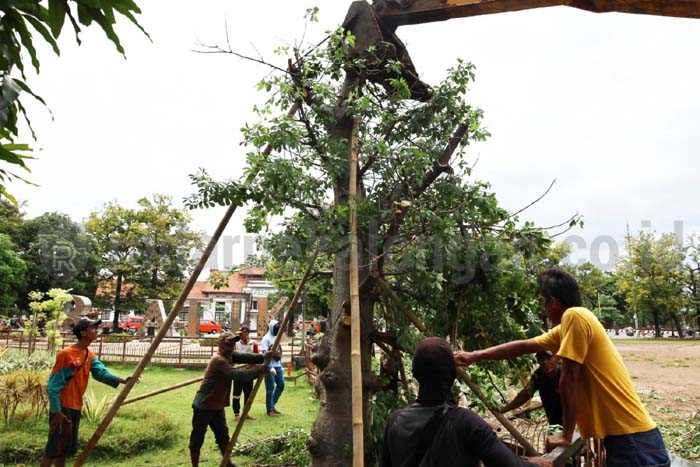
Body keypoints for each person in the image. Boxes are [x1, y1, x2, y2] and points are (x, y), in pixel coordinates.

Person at [455, 268, 670, 467]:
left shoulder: (575, 316)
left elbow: (569, 379)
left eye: (543, 302)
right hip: (629, 442)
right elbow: (525, 345)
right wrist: (474, 356)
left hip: (633, 445)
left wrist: (566, 436)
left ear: (554, 302)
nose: (544, 309)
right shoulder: (571, 324)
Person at [381, 337, 552, 467]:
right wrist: (537, 464)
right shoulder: (466, 422)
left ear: (416, 373)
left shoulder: (394, 421)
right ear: (452, 375)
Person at [40, 317, 131, 467]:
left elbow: (100, 373)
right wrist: (56, 411)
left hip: (75, 407)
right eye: (93, 328)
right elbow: (53, 386)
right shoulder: (66, 354)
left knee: (63, 450)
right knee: (52, 451)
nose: (97, 331)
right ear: (83, 332)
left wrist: (122, 380)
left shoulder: (89, 355)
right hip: (62, 407)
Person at [189, 332, 266, 467]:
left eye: (232, 344)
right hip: (204, 405)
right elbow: (236, 374)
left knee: (223, 435)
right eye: (228, 343)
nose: (231, 346)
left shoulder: (229, 356)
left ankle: (227, 463)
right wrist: (257, 371)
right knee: (197, 438)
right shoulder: (218, 360)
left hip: (217, 405)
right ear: (220, 344)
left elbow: (246, 357)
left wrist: (264, 357)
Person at [498, 351, 562, 426]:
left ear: (556, 358)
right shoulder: (539, 375)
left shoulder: (566, 372)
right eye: (541, 358)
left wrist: (528, 409)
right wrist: (505, 409)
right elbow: (526, 393)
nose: (545, 362)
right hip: (555, 419)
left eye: (548, 358)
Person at [232, 323, 259, 420]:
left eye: (241, 333)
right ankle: (236, 414)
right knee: (236, 394)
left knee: (248, 395)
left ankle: (246, 413)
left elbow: (257, 358)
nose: (240, 335)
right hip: (238, 372)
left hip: (249, 373)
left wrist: (255, 369)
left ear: (246, 333)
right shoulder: (236, 344)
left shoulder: (253, 344)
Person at [260, 319, 284, 416]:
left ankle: (272, 405)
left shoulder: (276, 338)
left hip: (278, 366)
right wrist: (270, 367)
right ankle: (269, 410)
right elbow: (264, 354)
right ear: (271, 328)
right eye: (275, 328)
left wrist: (281, 366)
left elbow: (279, 352)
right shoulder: (266, 339)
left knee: (281, 385)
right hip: (270, 367)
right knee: (270, 388)